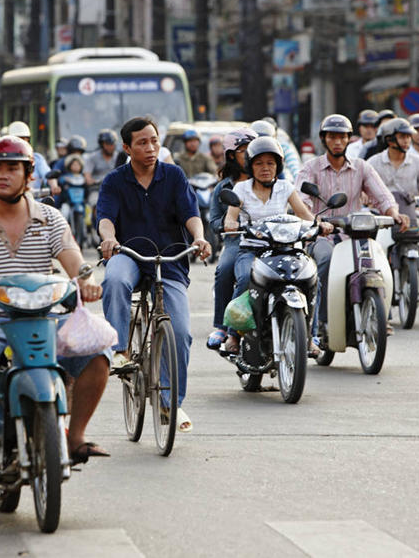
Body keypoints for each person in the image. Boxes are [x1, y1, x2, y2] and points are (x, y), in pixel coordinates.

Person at [0, 135, 110, 478]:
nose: (3, 175)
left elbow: (76, 263)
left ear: (29, 174)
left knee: (99, 352)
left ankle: (75, 435)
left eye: (12, 168)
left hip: (45, 314)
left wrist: (87, 282)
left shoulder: (50, 218)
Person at [97, 116, 211, 434]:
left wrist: (199, 237)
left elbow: (191, 213)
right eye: (142, 143)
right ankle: (120, 350)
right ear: (127, 148)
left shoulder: (173, 175)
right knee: (114, 279)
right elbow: (105, 218)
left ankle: (170, 403)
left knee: (181, 332)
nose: (150, 148)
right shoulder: (114, 181)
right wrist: (109, 238)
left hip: (169, 259)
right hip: (129, 254)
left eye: (154, 141)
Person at [294, 114, 406, 343]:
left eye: (342, 137)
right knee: (326, 260)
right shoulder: (311, 168)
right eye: (332, 137)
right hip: (320, 236)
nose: (337, 141)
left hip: (353, 235)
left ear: (348, 139)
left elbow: (382, 196)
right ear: (324, 139)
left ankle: (381, 315)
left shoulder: (361, 167)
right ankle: (322, 322)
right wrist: (315, 222)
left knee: (376, 261)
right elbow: (300, 203)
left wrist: (394, 213)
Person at [223, 136, 326, 353]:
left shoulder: (285, 187)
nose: (265, 168)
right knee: (245, 278)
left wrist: (319, 224)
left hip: (284, 249)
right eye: (259, 163)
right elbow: (230, 216)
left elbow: (304, 214)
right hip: (251, 250)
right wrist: (231, 223)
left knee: (311, 280)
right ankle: (233, 333)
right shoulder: (241, 189)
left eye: (270, 163)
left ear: (278, 166)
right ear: (250, 166)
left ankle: (311, 336)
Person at [367, 117, 419, 288]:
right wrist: (365, 198)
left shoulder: (418, 162)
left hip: (411, 210)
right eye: (402, 136)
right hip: (382, 214)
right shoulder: (373, 162)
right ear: (389, 139)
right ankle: (370, 273)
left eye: (409, 136)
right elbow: (363, 188)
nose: (407, 140)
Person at [206, 127, 257, 350]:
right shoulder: (223, 187)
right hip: (237, 241)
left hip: (269, 240)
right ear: (231, 156)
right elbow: (213, 220)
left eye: (253, 149)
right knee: (225, 269)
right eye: (243, 150)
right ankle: (223, 326)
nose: (250, 155)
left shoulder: (268, 179)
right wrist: (227, 224)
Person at [8, 120, 61, 195]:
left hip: (34, 200)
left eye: (24, 140)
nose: (21, 143)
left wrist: (54, 186)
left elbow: (47, 174)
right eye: (17, 140)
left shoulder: (37, 158)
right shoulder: (3, 160)